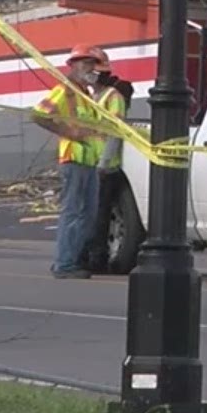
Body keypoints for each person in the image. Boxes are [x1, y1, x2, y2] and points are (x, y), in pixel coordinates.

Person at [32, 45, 107, 279]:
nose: (90, 68)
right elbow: (39, 115)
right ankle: (65, 263)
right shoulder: (65, 91)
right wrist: (67, 132)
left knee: (88, 214)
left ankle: (71, 260)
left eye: (93, 64)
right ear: (73, 66)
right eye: (86, 63)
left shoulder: (86, 95)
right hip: (74, 160)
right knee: (73, 212)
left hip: (89, 162)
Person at [82, 55, 134, 273]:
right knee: (93, 212)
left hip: (106, 165)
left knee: (101, 214)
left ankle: (97, 258)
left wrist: (103, 163)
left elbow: (114, 132)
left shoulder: (113, 97)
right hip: (93, 162)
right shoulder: (95, 95)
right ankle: (91, 254)